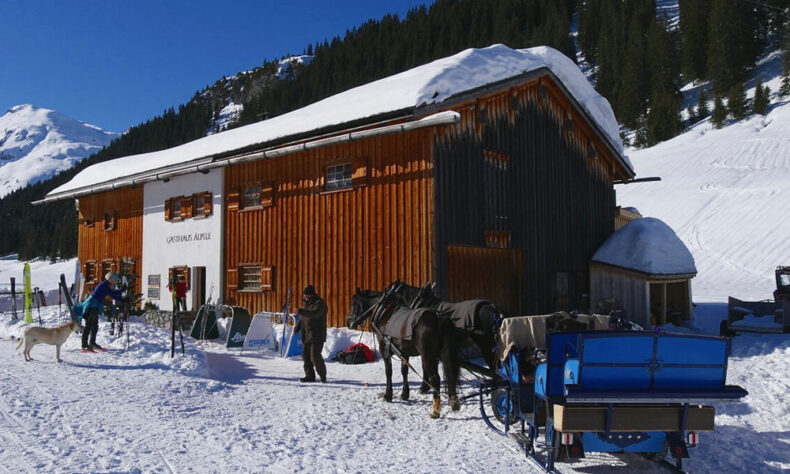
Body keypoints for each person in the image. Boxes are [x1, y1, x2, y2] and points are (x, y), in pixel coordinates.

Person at [81, 272, 125, 351]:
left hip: (95, 305)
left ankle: (92, 343)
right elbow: (112, 294)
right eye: (114, 279)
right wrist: (122, 299)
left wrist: (121, 291)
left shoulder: (107, 284)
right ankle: (84, 345)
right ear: (110, 279)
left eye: (116, 280)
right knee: (89, 324)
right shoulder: (105, 285)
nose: (115, 281)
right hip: (91, 305)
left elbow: (113, 292)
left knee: (94, 325)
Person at [293, 285, 328, 383]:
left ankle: (322, 376)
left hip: (317, 334)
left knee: (315, 356)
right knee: (306, 357)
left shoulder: (320, 303)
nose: (306, 297)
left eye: (308, 295)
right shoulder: (306, 303)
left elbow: (314, 314)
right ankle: (309, 376)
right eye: (305, 295)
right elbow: (302, 318)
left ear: (312, 295)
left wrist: (300, 311)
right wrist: (297, 328)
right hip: (306, 334)